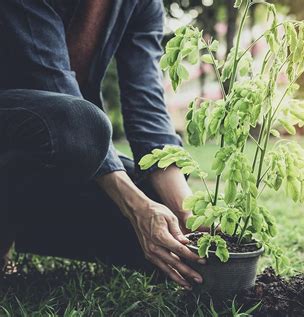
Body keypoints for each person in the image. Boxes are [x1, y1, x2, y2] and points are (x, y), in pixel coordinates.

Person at [0, 0, 204, 290]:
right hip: (16, 129)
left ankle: (24, 226)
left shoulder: (142, 5)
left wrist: (186, 211)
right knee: (83, 127)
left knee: (162, 214)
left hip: (66, 144)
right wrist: (135, 207)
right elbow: (51, 82)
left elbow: (146, 106)